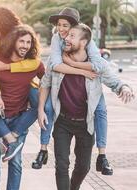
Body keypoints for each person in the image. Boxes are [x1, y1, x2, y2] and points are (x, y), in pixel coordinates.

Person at [38, 23, 135, 190]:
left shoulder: (96, 66)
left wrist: (125, 87)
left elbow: (115, 81)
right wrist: (40, 110)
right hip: (63, 122)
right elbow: (45, 82)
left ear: (83, 42)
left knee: (83, 167)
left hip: (86, 124)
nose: (66, 38)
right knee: (62, 165)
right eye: (67, 35)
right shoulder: (58, 61)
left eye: (72, 36)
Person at [32, 7, 113, 174]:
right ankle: (43, 149)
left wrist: (74, 64)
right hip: (63, 82)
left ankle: (102, 156)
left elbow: (99, 65)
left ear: (75, 27)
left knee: (100, 110)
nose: (61, 29)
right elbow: (55, 65)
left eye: (65, 26)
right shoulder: (57, 38)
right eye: (59, 25)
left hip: (88, 86)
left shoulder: (86, 40)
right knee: (47, 108)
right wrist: (82, 70)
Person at [0, 6, 53, 162]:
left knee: (41, 103)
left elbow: (33, 64)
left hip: (24, 83)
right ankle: (10, 139)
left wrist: (6, 67)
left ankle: (40, 147)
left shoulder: (18, 37)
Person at [0, 25, 44, 190]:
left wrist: (40, 94)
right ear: (13, 41)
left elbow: (48, 81)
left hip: (19, 121)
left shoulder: (33, 64)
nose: (25, 45)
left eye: (28, 42)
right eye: (22, 41)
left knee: (16, 163)